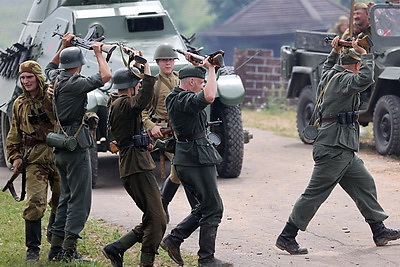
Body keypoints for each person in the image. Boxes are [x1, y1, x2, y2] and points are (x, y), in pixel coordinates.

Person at [275, 36, 400, 255]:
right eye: (359, 64)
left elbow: (327, 65)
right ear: (356, 65)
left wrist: (334, 51)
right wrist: (366, 54)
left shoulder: (330, 75)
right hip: (334, 147)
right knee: (314, 194)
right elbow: (365, 80)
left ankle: (379, 230)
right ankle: (287, 236)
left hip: (341, 147)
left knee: (364, 183)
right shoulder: (343, 81)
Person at [45, 33, 111, 262]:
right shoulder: (75, 83)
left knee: (65, 197)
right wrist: (99, 53)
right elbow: (106, 76)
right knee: (79, 200)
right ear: (79, 66)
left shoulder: (55, 78)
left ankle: (56, 248)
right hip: (76, 146)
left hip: (60, 147)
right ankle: (69, 250)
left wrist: (63, 46)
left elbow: (49, 67)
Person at [163, 62, 232, 267]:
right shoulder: (182, 98)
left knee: (204, 206)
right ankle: (206, 259)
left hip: (191, 156)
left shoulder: (178, 97)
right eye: (201, 82)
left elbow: (206, 94)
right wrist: (210, 70)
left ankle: (174, 239)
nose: (203, 86)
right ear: (191, 82)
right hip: (195, 158)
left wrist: (211, 70)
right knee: (213, 207)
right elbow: (209, 96)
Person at [102, 56, 167, 267]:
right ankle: (145, 262)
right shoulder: (122, 104)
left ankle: (117, 248)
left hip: (138, 162)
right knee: (157, 220)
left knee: (155, 217)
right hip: (135, 166)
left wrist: (146, 142)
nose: (140, 88)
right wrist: (147, 72)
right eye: (137, 85)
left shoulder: (120, 104)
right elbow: (142, 101)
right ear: (130, 87)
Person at [6, 60, 61, 262]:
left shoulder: (52, 96)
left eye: (30, 77)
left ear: (38, 78)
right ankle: (33, 249)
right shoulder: (19, 104)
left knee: (60, 200)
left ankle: (56, 240)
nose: (26, 81)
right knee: (35, 202)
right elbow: (14, 133)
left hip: (58, 155)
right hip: (34, 158)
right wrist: (15, 156)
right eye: (23, 78)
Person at [141, 43, 197, 222]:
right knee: (182, 169)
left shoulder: (181, 79)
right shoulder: (153, 84)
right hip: (163, 134)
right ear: (158, 61)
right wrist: (152, 127)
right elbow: (142, 110)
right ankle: (195, 208)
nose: (168, 63)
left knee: (181, 170)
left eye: (171, 60)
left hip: (180, 132)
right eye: (164, 60)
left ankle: (164, 204)